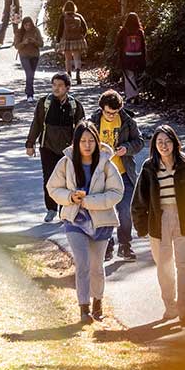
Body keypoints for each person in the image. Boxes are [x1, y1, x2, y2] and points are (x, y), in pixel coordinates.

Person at [47, 122, 126, 323]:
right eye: (83, 141)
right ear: (76, 142)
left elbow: (117, 191)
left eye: (91, 140)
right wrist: (70, 197)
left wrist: (90, 201)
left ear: (97, 142)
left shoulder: (106, 163)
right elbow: (53, 187)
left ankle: (98, 300)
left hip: (101, 222)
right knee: (82, 263)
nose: (87, 145)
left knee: (96, 267)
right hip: (75, 220)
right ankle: (84, 307)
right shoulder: (66, 163)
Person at [132, 125, 185, 320]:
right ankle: (170, 305)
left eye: (167, 142)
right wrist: (142, 227)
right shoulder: (149, 167)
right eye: (160, 142)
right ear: (154, 146)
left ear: (175, 143)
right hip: (159, 221)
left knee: (184, 265)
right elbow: (139, 200)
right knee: (164, 266)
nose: (164, 146)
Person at [25, 74, 84, 222]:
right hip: (48, 148)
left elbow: (81, 128)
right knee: (49, 180)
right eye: (54, 85)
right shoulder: (44, 103)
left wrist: (82, 148)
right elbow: (37, 124)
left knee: (67, 181)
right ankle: (51, 209)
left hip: (67, 150)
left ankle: (64, 211)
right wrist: (30, 143)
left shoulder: (75, 105)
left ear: (67, 88)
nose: (56, 88)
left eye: (60, 85)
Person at [94, 89, 142, 262]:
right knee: (104, 211)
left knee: (125, 210)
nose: (111, 116)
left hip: (123, 172)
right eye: (107, 112)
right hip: (101, 174)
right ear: (101, 109)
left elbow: (139, 142)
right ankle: (107, 245)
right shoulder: (92, 122)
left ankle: (125, 245)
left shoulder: (127, 121)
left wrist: (126, 149)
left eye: (114, 113)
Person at [114, 12, 147, 100]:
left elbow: (117, 44)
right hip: (138, 57)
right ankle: (136, 93)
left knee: (129, 76)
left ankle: (131, 95)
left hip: (126, 57)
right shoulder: (140, 32)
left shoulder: (124, 31)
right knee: (136, 75)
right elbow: (144, 46)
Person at [13, 14, 44, 100]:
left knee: (31, 75)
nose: (28, 27)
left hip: (34, 55)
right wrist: (24, 43)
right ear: (23, 25)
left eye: (29, 25)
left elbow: (41, 44)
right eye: (26, 25)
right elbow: (16, 45)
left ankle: (28, 89)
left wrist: (34, 41)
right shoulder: (19, 32)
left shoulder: (36, 30)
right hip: (24, 55)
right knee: (29, 73)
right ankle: (30, 95)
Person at [58, 1, 89, 86]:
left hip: (66, 40)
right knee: (77, 58)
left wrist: (58, 39)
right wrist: (82, 36)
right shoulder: (78, 16)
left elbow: (60, 30)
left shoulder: (63, 17)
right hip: (77, 40)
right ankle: (78, 74)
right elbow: (85, 28)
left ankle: (69, 76)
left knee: (67, 59)